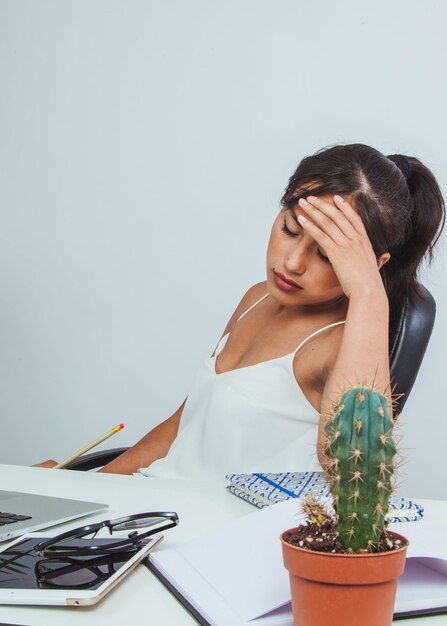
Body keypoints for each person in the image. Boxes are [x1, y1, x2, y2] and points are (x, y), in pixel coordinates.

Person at [40, 144, 446, 479]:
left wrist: (370, 297)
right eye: (289, 229)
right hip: (149, 513)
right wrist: (83, 489)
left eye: (326, 254)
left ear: (370, 265)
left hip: (213, 546)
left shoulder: (342, 343)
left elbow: (358, 475)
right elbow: (182, 429)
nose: (291, 263)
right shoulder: (258, 297)